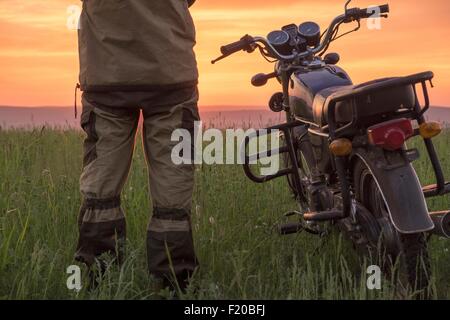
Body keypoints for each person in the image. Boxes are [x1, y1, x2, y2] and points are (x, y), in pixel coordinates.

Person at [74, 0, 199, 290]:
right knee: (172, 189)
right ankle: (174, 286)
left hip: (106, 75)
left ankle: (99, 282)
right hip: (170, 73)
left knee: (101, 188)